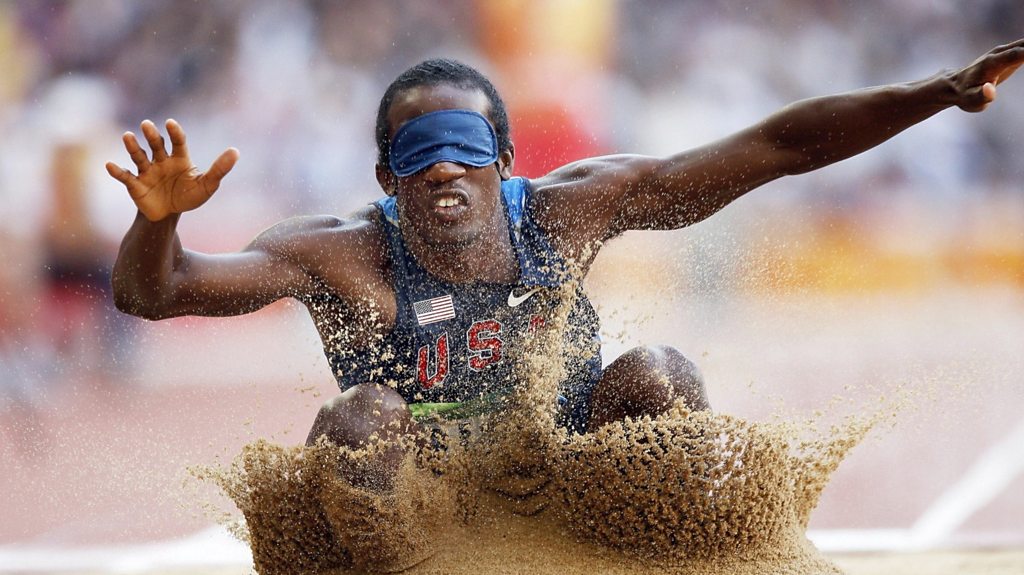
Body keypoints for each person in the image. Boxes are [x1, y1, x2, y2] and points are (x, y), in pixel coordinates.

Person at [107, 40, 1023, 488]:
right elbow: (158, 293)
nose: (445, 170)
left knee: (662, 374)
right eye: (418, 156)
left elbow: (779, 145)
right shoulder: (341, 256)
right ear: (386, 176)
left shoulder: (572, 211)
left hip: (564, 459)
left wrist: (936, 94)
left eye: (466, 148)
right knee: (360, 418)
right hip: (421, 482)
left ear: (504, 160)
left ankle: (665, 549)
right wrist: (156, 227)